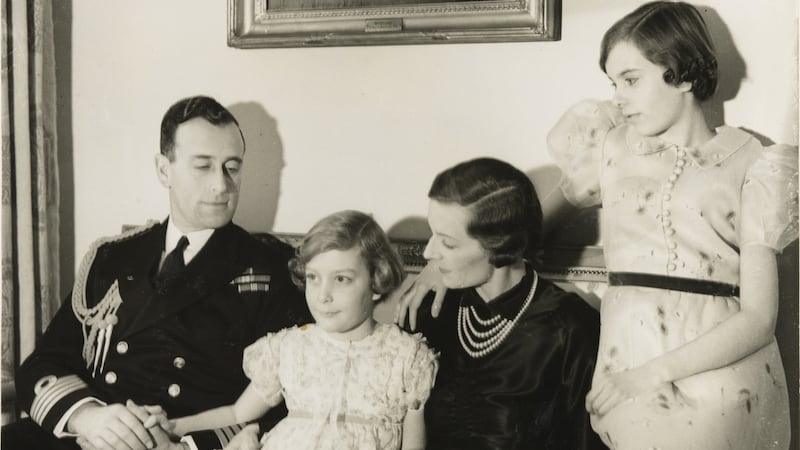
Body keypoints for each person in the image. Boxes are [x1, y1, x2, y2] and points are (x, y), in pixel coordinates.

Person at [401, 2, 799, 449]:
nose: (618, 97)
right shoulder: (609, 148)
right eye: (613, 83)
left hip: (720, 381)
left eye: (631, 80)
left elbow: (760, 318)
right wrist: (443, 263)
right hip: (626, 365)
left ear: (684, 74)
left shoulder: (754, 164)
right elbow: (518, 228)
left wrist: (654, 373)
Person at [2, 95, 312, 450]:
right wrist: (88, 416)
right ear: (164, 170)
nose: (221, 185)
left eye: (232, 166)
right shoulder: (112, 257)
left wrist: (185, 444)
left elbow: (292, 401)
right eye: (203, 166)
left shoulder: (272, 269)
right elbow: (44, 363)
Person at [168, 210, 437, 450]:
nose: (323, 295)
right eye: (313, 278)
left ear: (377, 281)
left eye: (341, 279)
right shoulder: (290, 348)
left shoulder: (407, 357)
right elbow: (238, 414)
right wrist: (175, 427)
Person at [404, 157, 604, 449]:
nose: (428, 254)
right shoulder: (430, 311)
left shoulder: (569, 329)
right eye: (432, 234)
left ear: (500, 245)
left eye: (448, 242)